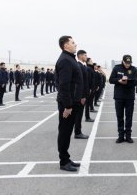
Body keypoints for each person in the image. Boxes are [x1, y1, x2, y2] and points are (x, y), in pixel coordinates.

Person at [55, 35, 83, 172]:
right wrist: (67, 106)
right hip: (68, 104)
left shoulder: (69, 59)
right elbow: (64, 85)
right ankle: (63, 161)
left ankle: (66, 158)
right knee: (65, 132)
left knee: (67, 131)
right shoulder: (65, 60)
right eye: (73, 42)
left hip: (73, 102)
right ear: (66, 46)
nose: (75, 44)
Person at [109, 55, 137, 144]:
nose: (127, 65)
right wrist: (119, 81)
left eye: (129, 63)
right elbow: (111, 80)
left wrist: (127, 82)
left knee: (129, 117)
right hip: (119, 96)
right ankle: (121, 136)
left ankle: (128, 136)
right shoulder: (116, 68)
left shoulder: (134, 69)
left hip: (129, 97)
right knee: (120, 117)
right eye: (126, 63)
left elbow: (136, 81)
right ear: (123, 61)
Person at [75, 50, 90, 139]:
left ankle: (78, 131)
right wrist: (82, 96)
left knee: (79, 114)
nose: (86, 57)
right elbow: (81, 83)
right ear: (80, 56)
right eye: (85, 55)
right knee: (79, 114)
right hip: (81, 95)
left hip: (83, 94)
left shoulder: (82, 66)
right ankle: (77, 132)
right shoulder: (79, 66)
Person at [85, 58, 96, 122]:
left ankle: (88, 116)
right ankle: (87, 117)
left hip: (91, 88)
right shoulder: (88, 69)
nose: (92, 62)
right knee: (87, 104)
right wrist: (89, 88)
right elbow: (88, 80)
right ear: (88, 62)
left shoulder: (90, 68)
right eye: (91, 61)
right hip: (89, 89)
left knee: (88, 103)